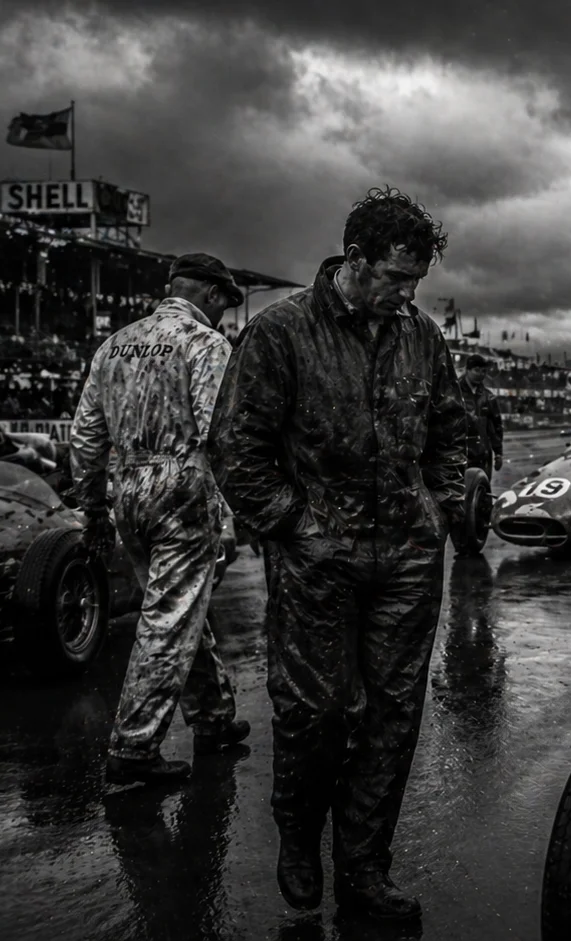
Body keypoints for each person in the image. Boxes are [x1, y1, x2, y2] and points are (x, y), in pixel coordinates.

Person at [208, 188, 470, 920]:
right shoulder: (282, 333)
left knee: (392, 717)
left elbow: (451, 428)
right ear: (353, 259)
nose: (406, 294)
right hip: (317, 558)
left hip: (407, 561)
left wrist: (441, 507)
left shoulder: (421, 336)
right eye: (395, 278)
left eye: (416, 281)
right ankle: (298, 831)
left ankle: (362, 866)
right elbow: (235, 448)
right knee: (314, 714)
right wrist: (294, 522)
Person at [69, 252, 250, 787]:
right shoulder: (205, 343)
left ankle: (214, 717)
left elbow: (84, 436)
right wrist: (232, 510)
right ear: (213, 295)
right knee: (169, 615)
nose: (223, 315)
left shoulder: (114, 344)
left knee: (174, 604)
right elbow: (221, 433)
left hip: (126, 487)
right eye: (224, 303)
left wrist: (93, 505)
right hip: (181, 485)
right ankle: (134, 746)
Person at [458, 353, 504, 473]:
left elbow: (496, 426)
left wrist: (498, 453)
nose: (481, 374)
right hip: (459, 454)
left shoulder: (489, 397)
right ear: (467, 370)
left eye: (484, 371)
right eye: (477, 370)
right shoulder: (454, 393)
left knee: (482, 488)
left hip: (483, 455)